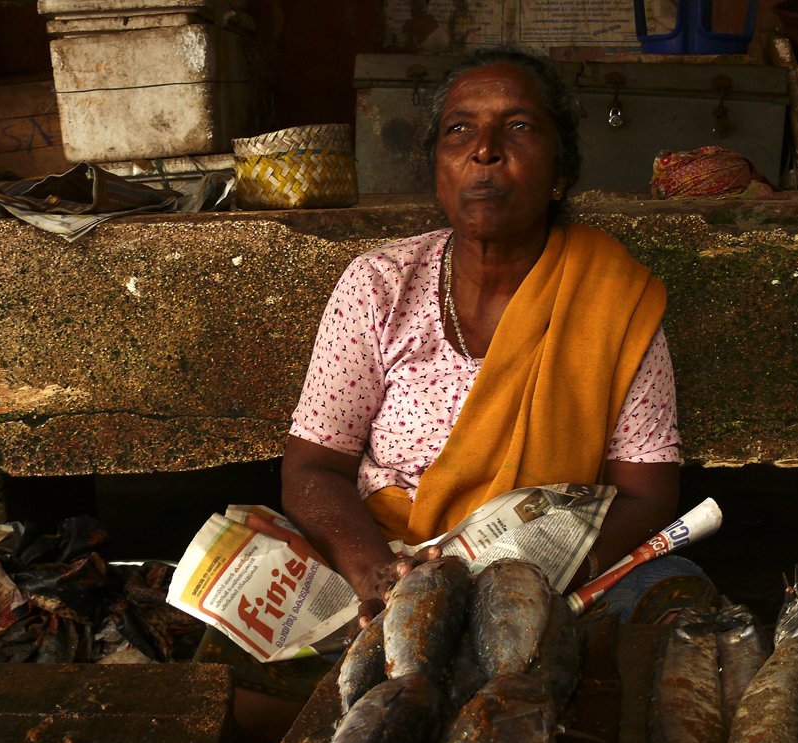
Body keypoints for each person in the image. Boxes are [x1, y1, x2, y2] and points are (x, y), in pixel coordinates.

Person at [281, 46, 715, 630]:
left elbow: (647, 495)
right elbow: (313, 467)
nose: (484, 150)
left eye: (518, 127)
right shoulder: (380, 285)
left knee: (677, 601)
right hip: (390, 562)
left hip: (547, 572)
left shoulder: (613, 297)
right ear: (438, 166)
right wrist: (376, 574)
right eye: (460, 130)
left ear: (560, 172)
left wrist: (530, 576)